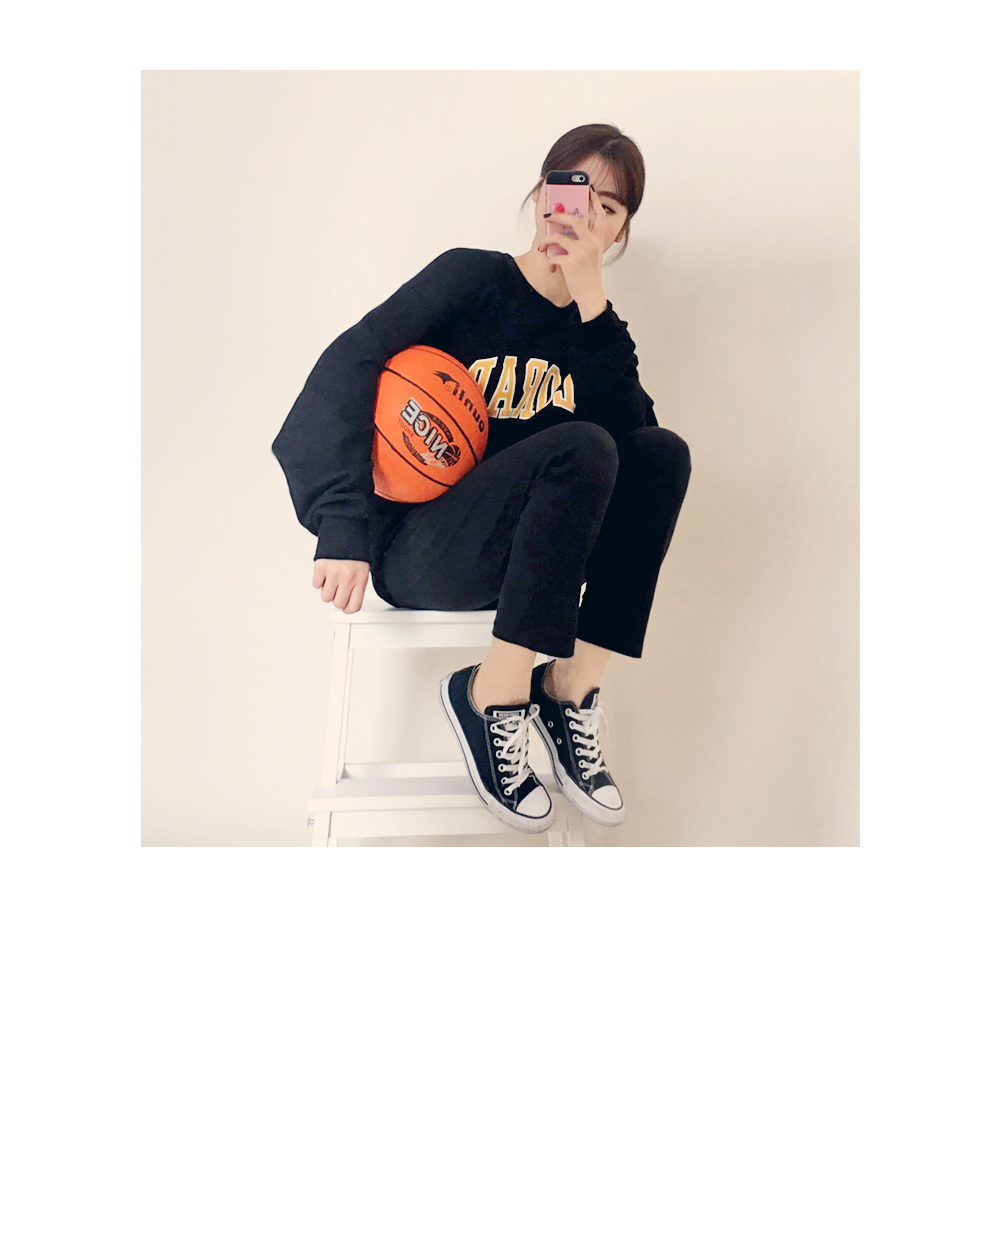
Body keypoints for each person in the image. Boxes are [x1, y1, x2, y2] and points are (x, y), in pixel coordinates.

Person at [272, 123, 692, 833]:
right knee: (583, 444)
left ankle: (569, 687)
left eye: (610, 208)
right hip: (419, 549)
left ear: (621, 232)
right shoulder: (469, 280)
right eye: (575, 191)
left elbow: (639, 455)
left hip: (534, 567)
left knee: (662, 452)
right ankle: (492, 697)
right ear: (542, 194)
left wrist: (592, 305)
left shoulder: (596, 334)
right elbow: (349, 363)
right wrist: (341, 522)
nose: (587, 215)